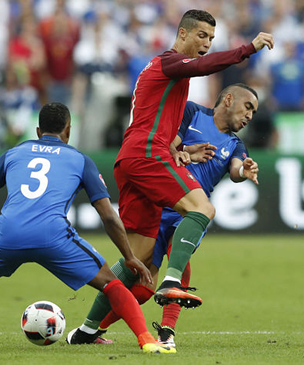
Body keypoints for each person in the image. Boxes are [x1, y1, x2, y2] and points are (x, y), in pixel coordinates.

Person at [66, 9, 273, 344]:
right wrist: (247, 49)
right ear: (182, 34)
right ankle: (173, 281)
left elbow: (162, 122)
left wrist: (180, 149)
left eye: (211, 38)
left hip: (135, 157)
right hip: (146, 154)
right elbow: (207, 67)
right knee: (202, 209)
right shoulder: (169, 62)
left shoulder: (174, 78)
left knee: (138, 263)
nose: (206, 43)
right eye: (201, 36)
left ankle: (87, 331)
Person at [0, 102, 175, 354]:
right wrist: (129, 257)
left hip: (8, 234)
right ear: (68, 131)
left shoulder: (14, 153)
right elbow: (109, 217)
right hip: (53, 236)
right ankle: (146, 340)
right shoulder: (80, 160)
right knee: (111, 285)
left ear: (37, 131)